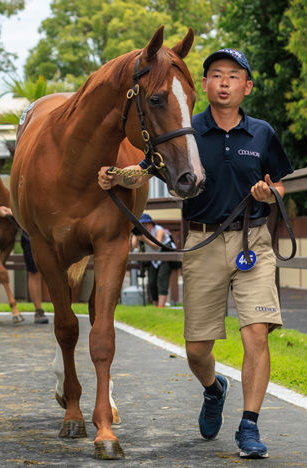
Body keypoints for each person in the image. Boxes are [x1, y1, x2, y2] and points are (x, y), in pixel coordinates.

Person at [97, 48, 293, 459]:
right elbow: (144, 170)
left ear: (247, 86)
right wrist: (117, 176)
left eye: (234, 76)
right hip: (201, 244)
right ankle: (213, 388)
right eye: (216, 75)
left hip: (252, 243)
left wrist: (268, 193)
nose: (224, 82)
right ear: (203, 86)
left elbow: (280, 186)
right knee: (197, 349)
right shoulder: (187, 129)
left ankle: (249, 426)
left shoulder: (262, 133)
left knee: (256, 332)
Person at [0, 205, 48, 324]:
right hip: (30, 234)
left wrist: (9, 212)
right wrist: (9, 212)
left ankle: (61, 310)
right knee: (34, 272)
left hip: (46, 231)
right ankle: (39, 310)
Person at [130, 213, 175, 308]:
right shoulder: (140, 232)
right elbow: (132, 247)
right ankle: (155, 305)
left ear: (151, 224)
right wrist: (134, 236)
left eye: (145, 224)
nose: (144, 227)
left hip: (165, 256)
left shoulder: (159, 230)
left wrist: (144, 239)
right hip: (152, 258)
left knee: (162, 279)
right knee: (151, 282)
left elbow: (157, 245)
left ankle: (161, 306)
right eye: (142, 225)